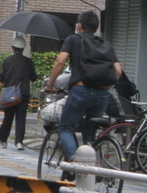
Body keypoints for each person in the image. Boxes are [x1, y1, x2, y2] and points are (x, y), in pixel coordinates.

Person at [44, 9, 123, 162]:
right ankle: (93, 164)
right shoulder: (105, 44)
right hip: (102, 94)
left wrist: (50, 84)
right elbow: (118, 71)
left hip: (80, 90)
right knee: (90, 132)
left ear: (79, 25)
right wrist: (106, 87)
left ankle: (75, 163)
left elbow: (60, 62)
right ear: (96, 27)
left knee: (66, 128)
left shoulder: (73, 39)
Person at [0, 34, 36, 151]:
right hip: (23, 93)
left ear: (13, 48)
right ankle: (19, 142)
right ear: (23, 49)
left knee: (8, 117)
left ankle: (3, 139)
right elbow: (34, 77)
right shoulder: (28, 62)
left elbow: (1, 78)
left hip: (10, 94)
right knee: (21, 117)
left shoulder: (7, 61)